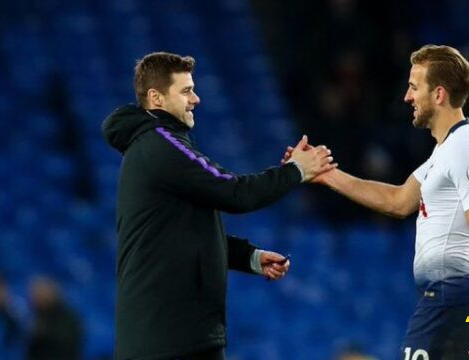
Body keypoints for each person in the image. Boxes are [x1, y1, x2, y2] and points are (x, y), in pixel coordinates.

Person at [101, 52, 335, 360]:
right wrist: (296, 170)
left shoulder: (156, 145)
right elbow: (234, 192)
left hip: (170, 336)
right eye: (186, 91)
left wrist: (249, 257)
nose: (196, 98)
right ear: (156, 97)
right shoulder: (161, 144)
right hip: (168, 339)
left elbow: (181, 236)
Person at [283, 45, 469, 360]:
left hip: (458, 301)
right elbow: (398, 200)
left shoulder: (467, 149)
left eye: (415, 87)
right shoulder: (445, 152)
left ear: (439, 94)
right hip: (441, 302)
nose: (407, 96)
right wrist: (326, 175)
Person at [26, 277, 83, 360]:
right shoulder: (35, 317)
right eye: (35, 295)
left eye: (41, 294)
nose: (36, 298)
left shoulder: (69, 318)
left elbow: (69, 343)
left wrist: (45, 332)